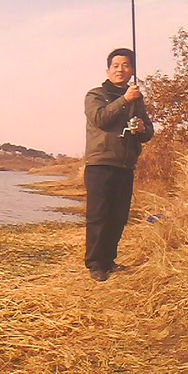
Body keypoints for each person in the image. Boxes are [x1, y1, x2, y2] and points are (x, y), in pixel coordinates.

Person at [84, 48, 154, 282]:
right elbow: (100, 119)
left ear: (131, 70)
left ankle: (108, 261)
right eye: (116, 65)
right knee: (99, 215)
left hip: (125, 165)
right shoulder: (95, 95)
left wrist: (142, 129)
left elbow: (148, 132)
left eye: (125, 65)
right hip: (100, 163)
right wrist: (124, 100)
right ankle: (95, 264)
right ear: (108, 70)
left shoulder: (137, 98)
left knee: (118, 216)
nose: (120, 69)